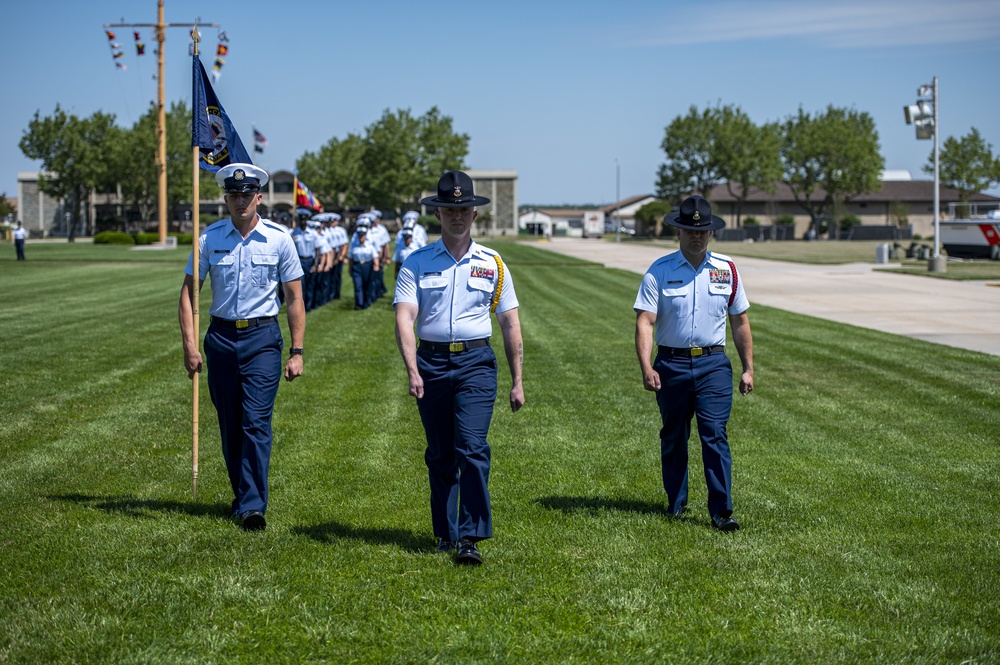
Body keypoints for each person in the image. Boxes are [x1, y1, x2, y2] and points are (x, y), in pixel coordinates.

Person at [393, 170, 525, 565]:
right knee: (440, 454)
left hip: (476, 364)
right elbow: (404, 316)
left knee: (472, 447)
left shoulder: (494, 264)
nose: (457, 216)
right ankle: (445, 534)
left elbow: (510, 322)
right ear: (438, 213)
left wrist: (518, 380)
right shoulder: (416, 262)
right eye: (449, 209)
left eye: (463, 209)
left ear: (474, 214)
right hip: (431, 361)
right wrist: (413, 368)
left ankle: (470, 535)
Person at [178, 163, 306, 531]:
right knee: (230, 424)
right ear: (226, 199)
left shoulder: (280, 238)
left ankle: (253, 505)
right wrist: (190, 345)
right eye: (234, 195)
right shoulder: (208, 238)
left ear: (259, 197)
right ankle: (242, 495)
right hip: (219, 339)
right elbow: (189, 293)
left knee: (255, 421)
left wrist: (297, 351)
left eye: (246, 194)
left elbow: (294, 298)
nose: (240, 201)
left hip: (262, 339)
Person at [633, 195, 753, 532]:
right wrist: (647, 366)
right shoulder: (660, 271)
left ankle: (722, 511)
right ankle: (676, 501)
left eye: (702, 230)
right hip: (670, 364)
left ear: (711, 233)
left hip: (713, 363)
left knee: (714, 434)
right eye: (690, 230)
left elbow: (740, 321)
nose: (696, 236)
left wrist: (748, 367)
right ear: (679, 232)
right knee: (673, 435)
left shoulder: (727, 270)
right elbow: (645, 321)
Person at [291, 208, 321, 311]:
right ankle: (302, 307)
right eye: (301, 220)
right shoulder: (294, 233)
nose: (302, 222)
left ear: (307, 220)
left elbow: (318, 250)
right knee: (301, 285)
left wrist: (315, 265)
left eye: (304, 220)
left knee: (310, 285)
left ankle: (309, 305)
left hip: (310, 260)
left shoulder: (312, 233)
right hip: (299, 261)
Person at [348, 221, 379, 309]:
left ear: (365, 236)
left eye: (363, 235)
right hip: (357, 266)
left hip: (367, 266)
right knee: (358, 285)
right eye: (359, 235)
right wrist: (350, 269)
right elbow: (351, 258)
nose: (361, 237)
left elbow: (375, 257)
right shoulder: (354, 246)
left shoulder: (370, 246)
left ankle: (366, 301)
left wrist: (376, 265)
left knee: (367, 285)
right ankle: (359, 303)